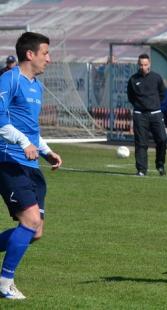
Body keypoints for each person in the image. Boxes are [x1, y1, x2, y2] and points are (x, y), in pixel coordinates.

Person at [0, 32, 62, 299]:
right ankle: (5, 284)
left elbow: (31, 129)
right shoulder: (9, 79)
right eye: (45, 53)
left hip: (32, 164)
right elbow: (0, 119)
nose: (49, 58)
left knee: (35, 232)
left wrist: (46, 151)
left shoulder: (36, 85)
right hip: (8, 160)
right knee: (31, 219)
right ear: (30, 54)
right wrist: (24, 142)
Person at [127, 53, 167, 176]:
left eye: (145, 65)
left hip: (155, 113)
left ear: (149, 64)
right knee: (141, 143)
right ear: (138, 65)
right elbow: (131, 97)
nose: (143, 67)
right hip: (140, 115)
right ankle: (141, 170)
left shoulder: (157, 78)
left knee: (162, 139)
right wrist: (140, 107)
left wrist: (153, 105)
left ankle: (160, 164)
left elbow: (162, 94)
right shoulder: (133, 80)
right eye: (141, 65)